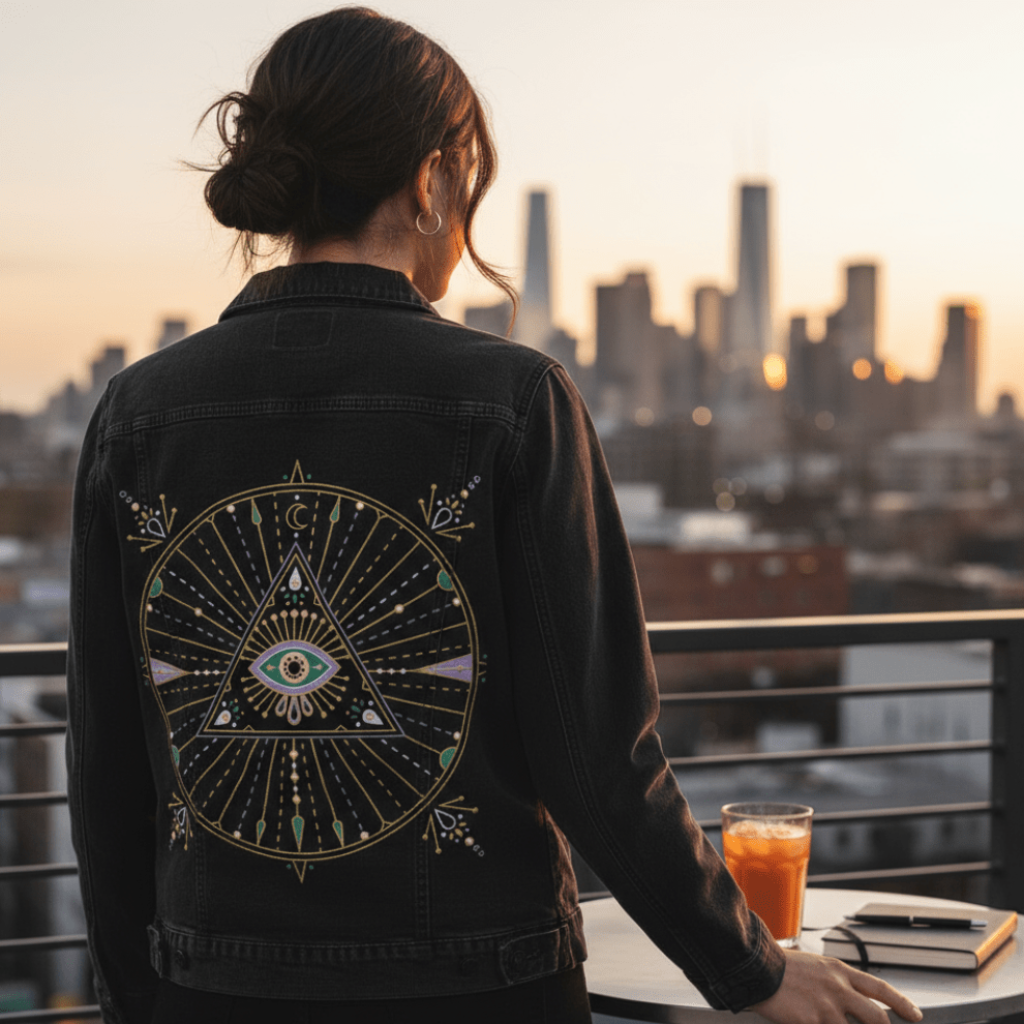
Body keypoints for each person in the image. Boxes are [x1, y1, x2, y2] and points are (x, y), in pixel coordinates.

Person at [66, 8, 923, 1024]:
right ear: (432, 182)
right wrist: (751, 970)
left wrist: (140, 997)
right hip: (480, 988)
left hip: (213, 987)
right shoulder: (514, 401)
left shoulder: (136, 413)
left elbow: (108, 770)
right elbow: (599, 758)